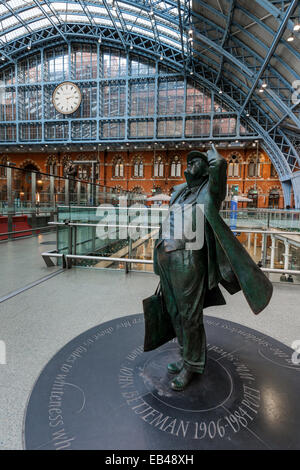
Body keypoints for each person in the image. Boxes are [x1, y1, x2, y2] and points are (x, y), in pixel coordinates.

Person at [149, 145, 273, 391]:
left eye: (195, 162)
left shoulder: (210, 191)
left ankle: (192, 365)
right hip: (167, 257)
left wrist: (210, 153)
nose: (189, 165)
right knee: (173, 311)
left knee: (189, 314)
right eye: (189, 161)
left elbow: (220, 166)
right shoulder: (179, 193)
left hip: (189, 259)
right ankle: (186, 356)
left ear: (205, 170)